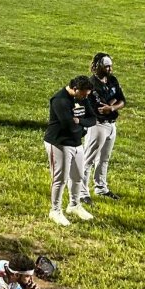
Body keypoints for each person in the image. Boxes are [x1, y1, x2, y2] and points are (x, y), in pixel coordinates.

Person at [44, 75, 95, 226]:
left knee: (78, 176)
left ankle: (74, 205)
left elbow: (92, 119)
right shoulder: (60, 100)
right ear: (75, 89)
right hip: (59, 143)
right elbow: (68, 126)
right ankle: (55, 210)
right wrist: (82, 127)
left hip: (76, 143)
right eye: (84, 94)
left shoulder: (82, 97)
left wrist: (80, 122)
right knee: (60, 179)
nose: (85, 98)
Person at [83, 54, 125, 203]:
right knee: (88, 159)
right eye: (106, 66)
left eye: (110, 65)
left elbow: (122, 100)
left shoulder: (112, 80)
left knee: (104, 159)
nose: (110, 68)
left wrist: (112, 107)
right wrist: (111, 105)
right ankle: (82, 193)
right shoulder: (91, 84)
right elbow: (98, 108)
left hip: (111, 124)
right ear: (98, 66)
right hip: (98, 125)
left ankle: (101, 187)